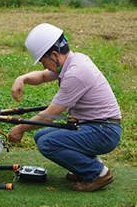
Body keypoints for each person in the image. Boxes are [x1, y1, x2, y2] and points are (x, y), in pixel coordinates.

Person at [9, 23, 122, 192]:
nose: (43, 66)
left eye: (43, 61)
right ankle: (87, 165)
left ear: (54, 54)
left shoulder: (75, 73)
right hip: (96, 126)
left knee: (47, 143)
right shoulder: (73, 60)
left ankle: (98, 173)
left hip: (104, 131)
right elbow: (42, 76)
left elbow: (48, 116)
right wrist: (22, 78)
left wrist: (20, 128)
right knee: (41, 135)